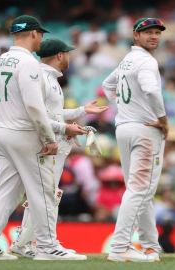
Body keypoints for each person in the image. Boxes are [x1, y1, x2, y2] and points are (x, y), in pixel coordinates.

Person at [0, 15, 61, 260]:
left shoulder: (1, 59)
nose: (41, 38)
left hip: (1, 131)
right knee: (42, 191)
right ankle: (47, 246)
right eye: (40, 33)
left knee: (6, 191)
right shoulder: (28, 62)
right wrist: (50, 138)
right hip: (23, 134)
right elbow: (33, 106)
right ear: (33, 33)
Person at [9, 38, 108, 259]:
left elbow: (53, 114)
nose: (70, 57)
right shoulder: (43, 78)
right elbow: (40, 117)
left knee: (44, 195)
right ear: (60, 55)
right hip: (48, 146)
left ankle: (23, 242)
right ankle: (47, 244)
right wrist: (66, 129)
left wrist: (82, 110)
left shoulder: (49, 78)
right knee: (47, 195)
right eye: (68, 53)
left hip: (53, 144)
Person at [102, 17, 168, 262]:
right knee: (140, 190)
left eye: (157, 33)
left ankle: (151, 245)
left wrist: (123, 108)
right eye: (148, 32)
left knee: (141, 191)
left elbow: (107, 85)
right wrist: (163, 120)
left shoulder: (128, 60)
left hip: (125, 128)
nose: (154, 36)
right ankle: (119, 248)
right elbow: (151, 90)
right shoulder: (146, 62)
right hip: (145, 130)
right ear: (135, 35)